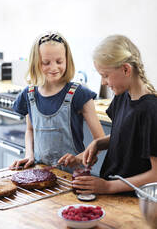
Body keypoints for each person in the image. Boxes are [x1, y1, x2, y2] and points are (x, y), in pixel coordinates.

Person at [58, 35, 157, 193]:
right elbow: (128, 136)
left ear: (126, 69)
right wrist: (98, 144)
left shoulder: (151, 110)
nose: (103, 82)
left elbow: (155, 175)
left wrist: (108, 186)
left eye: (105, 75)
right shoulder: (121, 97)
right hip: (114, 193)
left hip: (133, 200)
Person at [9, 32, 104, 172]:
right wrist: (29, 155)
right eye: (46, 63)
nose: (53, 68)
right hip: (39, 172)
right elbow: (30, 130)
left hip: (73, 176)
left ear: (67, 60)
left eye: (59, 62)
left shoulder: (79, 94)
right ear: (36, 63)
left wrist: (78, 158)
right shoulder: (29, 94)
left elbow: (100, 141)